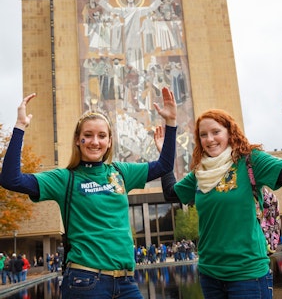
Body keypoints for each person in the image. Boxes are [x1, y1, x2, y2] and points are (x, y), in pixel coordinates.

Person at [0, 86, 176, 299]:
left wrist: (171, 123)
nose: (95, 141)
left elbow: (165, 166)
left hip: (126, 282)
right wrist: (19, 126)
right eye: (88, 135)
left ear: (109, 141)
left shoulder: (122, 172)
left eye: (102, 136)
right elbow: (11, 179)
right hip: (85, 282)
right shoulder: (64, 178)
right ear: (77, 139)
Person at [154, 80, 282, 299]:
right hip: (210, 275)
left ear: (230, 132)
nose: (209, 139)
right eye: (203, 135)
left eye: (215, 132)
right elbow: (171, 193)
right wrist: (165, 152)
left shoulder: (250, 161)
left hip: (247, 276)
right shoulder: (200, 173)